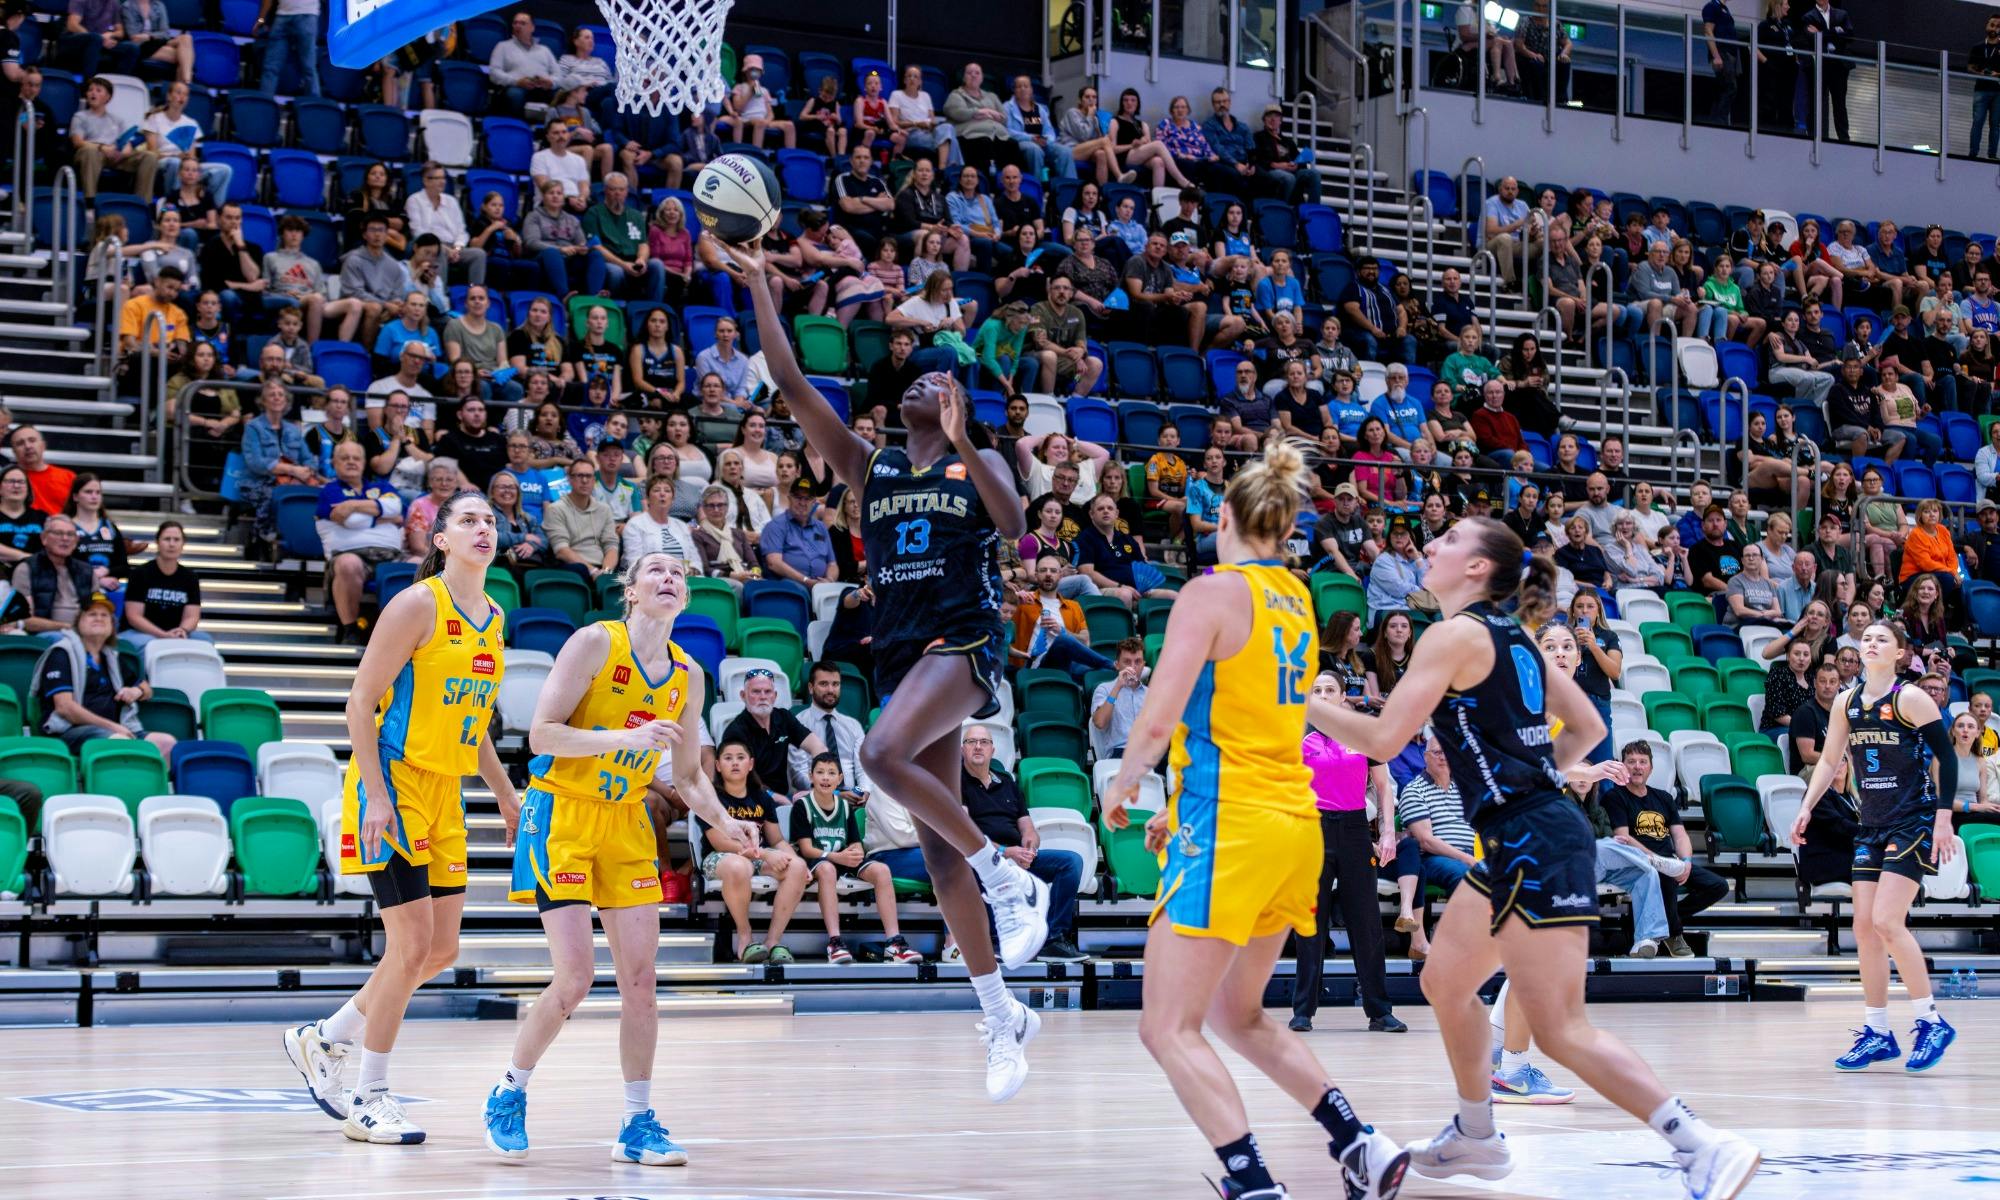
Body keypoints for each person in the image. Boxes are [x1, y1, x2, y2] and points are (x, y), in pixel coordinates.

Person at [1306, 516, 1761, 1197]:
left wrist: (1296, 704)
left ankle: (1700, 1143)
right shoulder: (1513, 637)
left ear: (1476, 569)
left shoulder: (1454, 634)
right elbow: (1590, 727)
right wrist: (1545, 777)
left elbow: (1380, 735)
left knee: (1558, 1030)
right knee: (1445, 983)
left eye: (1448, 540)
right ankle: (1476, 1135)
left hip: (1533, 837)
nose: (1432, 545)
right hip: (1520, 833)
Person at [725, 237, 1053, 1098]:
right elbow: (793, 386)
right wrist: (762, 282)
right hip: (907, 655)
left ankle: (1009, 880)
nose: (921, 381)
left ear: (958, 402)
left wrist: (966, 439)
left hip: (967, 640)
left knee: (874, 757)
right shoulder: (867, 467)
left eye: (940, 378)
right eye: (914, 378)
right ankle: (1000, 1016)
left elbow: (1017, 526)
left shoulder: (973, 463)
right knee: (938, 856)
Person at [1100, 440, 1409, 1200]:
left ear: (1224, 517)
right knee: (1240, 1015)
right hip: (1292, 827)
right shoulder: (1298, 598)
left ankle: (1253, 1184)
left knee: (1166, 1027)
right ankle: (1359, 1144)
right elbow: (1259, 715)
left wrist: (1125, 785)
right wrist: (1178, 810)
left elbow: (1161, 714)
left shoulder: (1211, 592)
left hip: (1231, 824)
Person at [482, 551, 744, 1164]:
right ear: (629, 590)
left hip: (625, 818)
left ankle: (637, 1121)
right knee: (575, 977)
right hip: (563, 812)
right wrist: (625, 738)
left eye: (678, 574)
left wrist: (729, 825)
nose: (669, 578)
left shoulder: (688, 675)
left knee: (641, 982)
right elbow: (542, 734)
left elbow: (687, 778)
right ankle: (510, 1089)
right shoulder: (595, 643)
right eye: (655, 569)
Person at [284, 490, 517, 1144]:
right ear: (439, 539)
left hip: (446, 791)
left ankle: (325, 1038)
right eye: (469, 519)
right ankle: (369, 1095)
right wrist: (378, 795)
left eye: (490, 521)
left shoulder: (495, 618)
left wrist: (503, 791)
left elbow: (475, 725)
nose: (483, 528)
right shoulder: (418, 604)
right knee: (410, 944)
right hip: (392, 783)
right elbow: (360, 703)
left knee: (440, 949)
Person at [1793, 621, 1959, 1073]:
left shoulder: (1910, 698)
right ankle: (1878, 1031)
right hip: (1871, 823)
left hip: (1914, 819)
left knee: (1887, 919)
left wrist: (1944, 817)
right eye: (1866, 638)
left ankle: (1930, 1021)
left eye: (1882, 639)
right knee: (1864, 927)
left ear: (1901, 654)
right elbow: (1829, 760)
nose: (1871, 643)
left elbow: (1945, 756)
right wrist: (1806, 807)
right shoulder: (1846, 702)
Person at [1288, 671, 1406, 1036]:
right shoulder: (1298, 739)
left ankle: (1379, 1010)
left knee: (1365, 921)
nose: (1323, 695)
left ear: (1343, 697)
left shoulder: (1362, 735)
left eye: (1329, 690)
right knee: (1310, 922)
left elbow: (1385, 788)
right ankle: (1303, 1010)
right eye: (1316, 691)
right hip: (1312, 830)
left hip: (1356, 828)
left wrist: (1387, 831)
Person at [960, 726, 1087, 962]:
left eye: (984, 742)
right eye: (971, 742)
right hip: (984, 855)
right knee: (979, 864)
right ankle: (997, 941)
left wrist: (1030, 845)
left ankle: (1053, 940)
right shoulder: (956, 782)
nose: (978, 746)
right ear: (962, 749)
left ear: (992, 749)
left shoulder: (1007, 782)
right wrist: (1004, 852)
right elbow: (966, 832)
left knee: (1071, 862)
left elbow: (1026, 825)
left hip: (1017, 854)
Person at [1604, 742, 1729, 959]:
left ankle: (1663, 922)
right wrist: (1660, 861)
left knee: (1718, 886)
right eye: (1631, 761)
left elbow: (1679, 835)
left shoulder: (1663, 797)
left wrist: (1687, 862)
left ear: (1651, 768)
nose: (1637, 767)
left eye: (1643, 762)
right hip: (1638, 862)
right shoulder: (1615, 797)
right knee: (1665, 874)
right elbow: (1623, 838)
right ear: (1622, 766)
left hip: (1667, 860)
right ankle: (1674, 934)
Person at [34, 592, 171, 751]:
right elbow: (65, 708)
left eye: (104, 615)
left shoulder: (112, 658)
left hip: (112, 732)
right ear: (78, 622)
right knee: (120, 741)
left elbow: (147, 689)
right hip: (69, 732)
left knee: (165, 742)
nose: (99, 618)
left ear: (112, 626)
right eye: (92, 614)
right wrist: (113, 727)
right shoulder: (62, 654)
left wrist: (135, 692)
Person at [315, 441, 405, 643]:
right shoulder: (329, 491)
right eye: (345, 458)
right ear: (334, 463)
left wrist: (353, 504)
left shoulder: (382, 486)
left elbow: (397, 509)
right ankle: (350, 629)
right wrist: (383, 515)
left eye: (356, 458)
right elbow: (349, 520)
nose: (351, 462)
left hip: (391, 555)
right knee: (348, 564)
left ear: (364, 462)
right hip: (351, 554)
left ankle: (405, 637)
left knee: (418, 565)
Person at [1090, 637, 1150, 760]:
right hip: (1120, 752)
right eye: (1127, 662)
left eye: (1137, 662)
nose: (1133, 667)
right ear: (1117, 665)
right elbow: (1099, 722)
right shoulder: (1105, 689)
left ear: (1143, 665)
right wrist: (1118, 686)